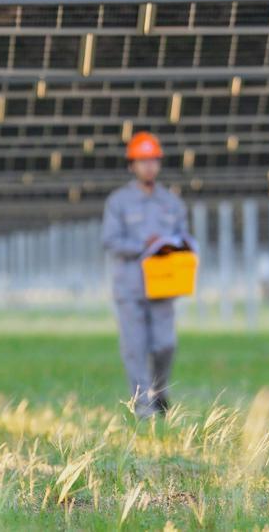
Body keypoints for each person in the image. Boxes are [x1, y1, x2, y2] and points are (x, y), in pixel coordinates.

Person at [101, 131, 188, 419]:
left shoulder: (172, 203)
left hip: (163, 285)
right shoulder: (118, 202)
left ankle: (159, 391)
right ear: (132, 165)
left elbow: (183, 239)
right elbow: (110, 240)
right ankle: (143, 407)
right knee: (135, 348)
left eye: (153, 161)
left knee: (165, 344)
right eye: (142, 161)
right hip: (130, 287)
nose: (149, 166)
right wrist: (144, 246)